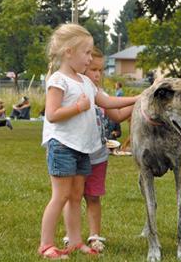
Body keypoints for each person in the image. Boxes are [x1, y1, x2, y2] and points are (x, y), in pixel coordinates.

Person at [39, 23, 138, 259]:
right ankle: (46, 244)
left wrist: (141, 97)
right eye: (86, 53)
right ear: (68, 52)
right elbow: (52, 114)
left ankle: (75, 242)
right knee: (60, 196)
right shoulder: (58, 80)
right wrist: (79, 107)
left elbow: (108, 102)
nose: (90, 58)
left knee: (75, 196)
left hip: (81, 149)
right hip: (62, 146)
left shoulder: (86, 83)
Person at [62, 47, 134, 253]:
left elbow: (118, 115)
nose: (97, 75)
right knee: (72, 197)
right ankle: (71, 235)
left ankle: (94, 236)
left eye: (101, 70)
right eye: (93, 69)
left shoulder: (100, 94)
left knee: (93, 196)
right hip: (76, 154)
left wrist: (139, 101)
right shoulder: (74, 92)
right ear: (81, 67)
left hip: (98, 156)